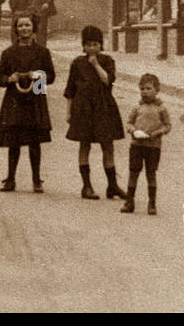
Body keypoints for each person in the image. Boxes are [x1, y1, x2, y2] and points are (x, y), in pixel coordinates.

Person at [63, 25, 126, 200]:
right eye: (88, 45)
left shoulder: (107, 61)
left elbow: (108, 81)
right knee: (84, 145)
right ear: (83, 46)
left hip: (103, 107)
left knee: (108, 145)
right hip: (83, 109)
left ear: (101, 45)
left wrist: (96, 64)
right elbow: (70, 90)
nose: (92, 48)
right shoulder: (77, 63)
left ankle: (112, 185)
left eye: (95, 44)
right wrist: (68, 113)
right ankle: (87, 186)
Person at [0, 13, 55, 193]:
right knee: (14, 141)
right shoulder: (8, 53)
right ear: (16, 29)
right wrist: (10, 78)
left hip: (35, 96)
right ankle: (11, 179)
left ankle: (36, 180)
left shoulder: (42, 52)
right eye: (21, 26)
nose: (24, 29)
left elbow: (51, 76)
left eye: (27, 25)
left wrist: (37, 76)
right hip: (15, 98)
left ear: (33, 28)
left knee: (34, 141)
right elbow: (0, 77)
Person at [122, 73, 171, 215]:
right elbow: (129, 123)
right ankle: (129, 202)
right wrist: (133, 131)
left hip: (153, 146)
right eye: (142, 89)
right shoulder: (137, 108)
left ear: (157, 90)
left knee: (151, 173)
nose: (145, 92)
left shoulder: (161, 109)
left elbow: (167, 126)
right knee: (133, 172)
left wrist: (157, 133)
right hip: (137, 145)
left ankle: (152, 203)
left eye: (149, 88)